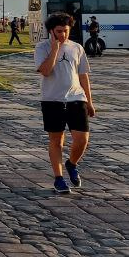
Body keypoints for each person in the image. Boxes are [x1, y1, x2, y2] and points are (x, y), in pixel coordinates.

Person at [34, 12, 95, 194]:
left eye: (65, 31)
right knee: (56, 140)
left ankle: (72, 163)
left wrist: (90, 101)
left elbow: (83, 75)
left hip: (77, 98)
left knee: (82, 139)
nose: (62, 35)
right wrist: (54, 48)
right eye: (58, 31)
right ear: (51, 31)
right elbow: (45, 71)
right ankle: (59, 178)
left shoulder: (76, 48)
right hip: (52, 100)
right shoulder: (42, 47)